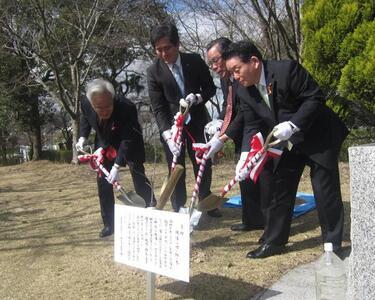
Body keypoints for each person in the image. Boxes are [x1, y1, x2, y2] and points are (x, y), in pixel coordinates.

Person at [207, 40, 349, 258]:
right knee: (280, 186)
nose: (235, 76)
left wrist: (293, 124)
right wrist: (245, 156)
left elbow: (315, 98)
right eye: (231, 72)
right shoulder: (244, 90)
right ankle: (274, 241)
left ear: (254, 62)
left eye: (237, 70)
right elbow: (252, 123)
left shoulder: (287, 70)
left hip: (319, 135)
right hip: (289, 142)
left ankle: (333, 244)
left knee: (324, 189)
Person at [147, 23, 221, 217]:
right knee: (175, 165)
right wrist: (167, 135)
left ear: (177, 44)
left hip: (197, 121)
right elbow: (158, 106)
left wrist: (197, 98)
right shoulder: (153, 71)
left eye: (167, 48)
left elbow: (210, 88)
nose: (163, 54)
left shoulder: (194, 61)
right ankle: (178, 206)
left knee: (202, 162)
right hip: (173, 127)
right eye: (158, 50)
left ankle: (205, 201)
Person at [76, 79, 156, 237]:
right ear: (92, 104)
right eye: (100, 108)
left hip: (129, 139)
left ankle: (151, 209)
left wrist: (117, 166)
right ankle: (109, 223)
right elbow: (86, 118)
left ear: (112, 98)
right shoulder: (85, 103)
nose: (105, 111)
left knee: (138, 174)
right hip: (105, 141)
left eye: (108, 106)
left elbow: (127, 140)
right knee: (103, 181)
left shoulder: (126, 107)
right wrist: (82, 137)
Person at [206, 37, 271, 231]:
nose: (215, 66)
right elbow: (230, 107)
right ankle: (251, 220)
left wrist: (224, 137)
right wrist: (219, 125)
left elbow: (245, 113)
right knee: (243, 176)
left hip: (256, 130)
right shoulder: (225, 79)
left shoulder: (243, 76)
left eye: (216, 60)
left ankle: (269, 221)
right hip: (239, 130)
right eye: (211, 63)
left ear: (227, 54)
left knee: (260, 175)